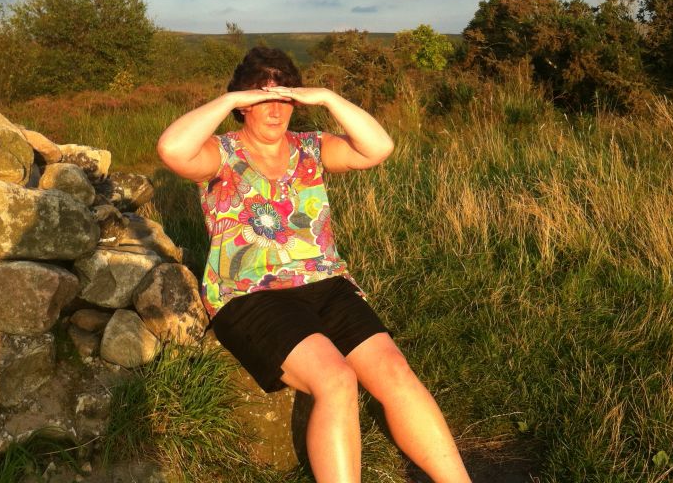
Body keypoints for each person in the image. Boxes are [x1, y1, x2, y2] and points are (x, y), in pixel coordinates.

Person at [157, 47, 471, 483]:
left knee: (395, 372)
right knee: (336, 379)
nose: (275, 109)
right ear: (244, 105)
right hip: (251, 295)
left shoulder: (310, 148)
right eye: (262, 98)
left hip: (326, 284)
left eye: (284, 97)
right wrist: (230, 99)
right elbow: (171, 147)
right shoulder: (220, 154)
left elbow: (379, 147)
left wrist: (327, 97)